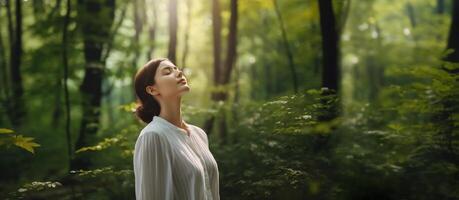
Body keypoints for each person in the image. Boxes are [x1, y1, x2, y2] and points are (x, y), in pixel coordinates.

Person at [133, 58, 220, 200]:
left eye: (176, 69)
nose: (179, 73)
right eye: (167, 72)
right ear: (152, 89)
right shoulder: (153, 136)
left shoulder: (199, 134)